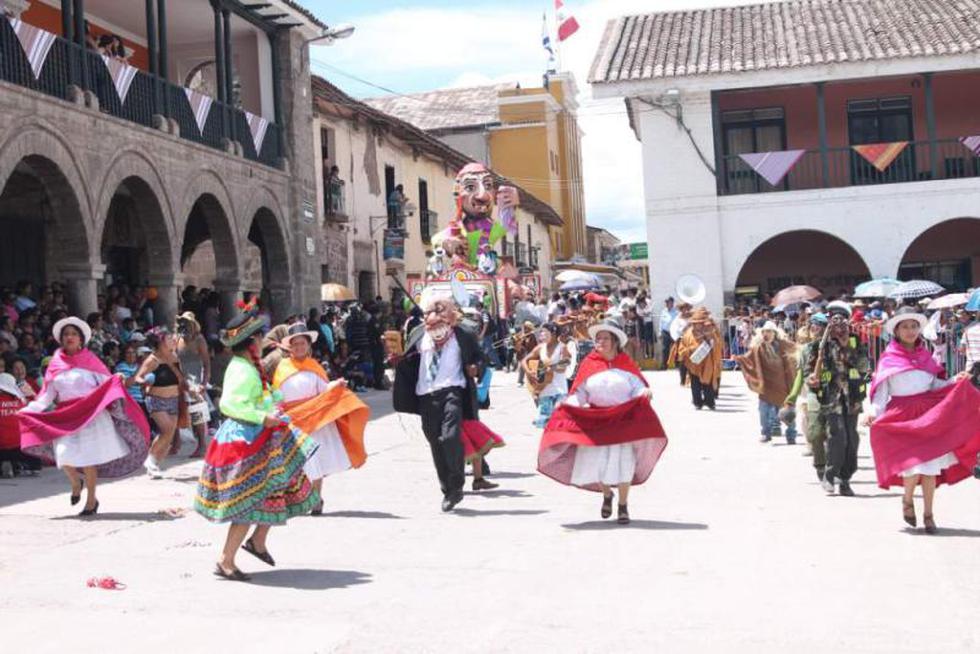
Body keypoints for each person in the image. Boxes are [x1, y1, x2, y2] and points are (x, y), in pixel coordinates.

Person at [194, 303, 320, 582]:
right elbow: (229, 403)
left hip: (258, 437)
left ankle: (257, 541)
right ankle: (226, 559)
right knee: (251, 501)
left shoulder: (250, 366)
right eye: (260, 337)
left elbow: (257, 397)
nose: (263, 341)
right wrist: (262, 417)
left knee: (278, 485)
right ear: (251, 342)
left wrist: (273, 402)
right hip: (244, 441)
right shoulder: (242, 369)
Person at [537, 316, 668, 525]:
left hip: (623, 421)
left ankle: (623, 505)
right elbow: (580, 393)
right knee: (599, 464)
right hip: (596, 422)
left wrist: (645, 392)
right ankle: (607, 494)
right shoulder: (589, 364)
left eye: (605, 338)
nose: (600, 342)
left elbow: (637, 386)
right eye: (598, 339)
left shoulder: (626, 364)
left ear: (615, 341)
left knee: (624, 463)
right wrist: (568, 403)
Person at [19, 317, 150, 515]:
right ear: (60, 339)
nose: (69, 337)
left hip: (91, 416)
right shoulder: (55, 364)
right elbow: (46, 396)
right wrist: (29, 410)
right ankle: (76, 482)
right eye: (66, 334)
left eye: (73, 334)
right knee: (63, 457)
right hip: (66, 417)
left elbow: (108, 384)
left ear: (81, 339)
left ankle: (91, 501)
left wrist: (118, 378)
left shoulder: (91, 361)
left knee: (89, 459)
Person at [866, 307, 980, 534]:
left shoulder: (925, 356)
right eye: (905, 327)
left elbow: (934, 386)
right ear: (897, 331)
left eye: (914, 326)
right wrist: (873, 413)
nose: (910, 331)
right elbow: (880, 393)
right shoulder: (889, 358)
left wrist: (953, 381)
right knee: (911, 467)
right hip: (901, 415)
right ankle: (907, 499)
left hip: (928, 417)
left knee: (929, 468)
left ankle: (929, 515)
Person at [393, 290, 485, 512]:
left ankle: (457, 484)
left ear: (450, 315)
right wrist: (397, 359)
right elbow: (409, 359)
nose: (433, 316)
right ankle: (448, 490)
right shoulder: (418, 335)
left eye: (439, 311)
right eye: (429, 312)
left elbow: (480, 359)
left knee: (451, 437)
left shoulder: (463, 334)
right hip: (426, 394)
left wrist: (476, 368)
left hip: (452, 391)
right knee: (435, 441)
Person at [273, 322, 370, 516]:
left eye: (302, 343)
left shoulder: (314, 366)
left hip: (315, 421)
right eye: (295, 344)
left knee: (316, 460)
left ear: (308, 345)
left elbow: (323, 390)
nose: (299, 347)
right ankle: (300, 499)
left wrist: (335, 385)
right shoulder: (282, 368)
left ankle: (316, 499)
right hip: (293, 422)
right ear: (289, 347)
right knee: (298, 463)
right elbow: (277, 395)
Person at [803, 301, 869, 496]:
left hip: (852, 398)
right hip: (830, 398)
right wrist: (811, 379)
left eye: (842, 319)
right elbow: (808, 369)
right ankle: (830, 476)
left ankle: (846, 478)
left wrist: (846, 347)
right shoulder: (819, 345)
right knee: (837, 437)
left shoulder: (856, 341)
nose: (838, 324)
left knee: (851, 441)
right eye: (834, 318)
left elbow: (864, 367)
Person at [736, 321, 799, 444]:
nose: (766, 334)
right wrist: (740, 359)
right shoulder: (758, 348)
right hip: (767, 386)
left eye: (769, 331)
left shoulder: (784, 345)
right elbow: (749, 358)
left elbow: (796, 351)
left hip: (783, 385)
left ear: (774, 333)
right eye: (764, 332)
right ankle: (766, 433)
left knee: (788, 411)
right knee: (763, 411)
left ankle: (791, 435)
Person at [136, 328, 185, 478]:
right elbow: (138, 377)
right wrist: (144, 381)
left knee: (169, 435)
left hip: (174, 399)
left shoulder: (174, 357)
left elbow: (180, 377)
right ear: (160, 341)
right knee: (167, 429)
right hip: (156, 400)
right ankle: (150, 460)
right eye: (169, 338)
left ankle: (154, 464)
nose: (172, 340)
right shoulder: (152, 360)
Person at [784, 313, 830, 471]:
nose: (815, 328)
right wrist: (792, 397)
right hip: (808, 389)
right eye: (813, 325)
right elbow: (800, 374)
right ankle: (810, 443)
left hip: (829, 389)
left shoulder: (833, 346)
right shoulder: (805, 349)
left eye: (820, 326)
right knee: (805, 417)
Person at [175, 312, 211, 457]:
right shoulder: (178, 338)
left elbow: (207, 363)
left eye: (187, 323)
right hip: (181, 378)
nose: (184, 325)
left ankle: (202, 444)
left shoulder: (199, 340)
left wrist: (204, 383)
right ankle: (176, 443)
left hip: (195, 378)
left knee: (197, 412)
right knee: (178, 410)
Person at [522, 322, 570, 428]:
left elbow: (563, 368)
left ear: (552, 334)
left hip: (560, 391)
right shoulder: (540, 348)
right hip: (544, 389)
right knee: (544, 425)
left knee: (560, 423)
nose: (541, 335)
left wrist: (552, 368)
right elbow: (525, 360)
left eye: (544, 332)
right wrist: (529, 372)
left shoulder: (562, 348)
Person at [676, 308, 723, 410]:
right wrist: (690, 350)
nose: (699, 325)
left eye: (701, 323)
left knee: (708, 382)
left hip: (707, 362)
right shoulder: (688, 334)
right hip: (693, 363)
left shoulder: (710, 332)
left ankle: (710, 402)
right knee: (695, 383)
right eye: (696, 323)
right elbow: (681, 348)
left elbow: (717, 344)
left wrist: (710, 341)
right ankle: (697, 402)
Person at [659, 297, 678, 368]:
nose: (667, 304)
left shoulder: (676, 312)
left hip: (673, 332)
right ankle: (664, 365)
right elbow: (661, 322)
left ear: (672, 303)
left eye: (669, 302)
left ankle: (677, 364)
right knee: (665, 349)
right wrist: (660, 332)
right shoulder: (663, 311)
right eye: (666, 302)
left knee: (675, 348)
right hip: (665, 332)